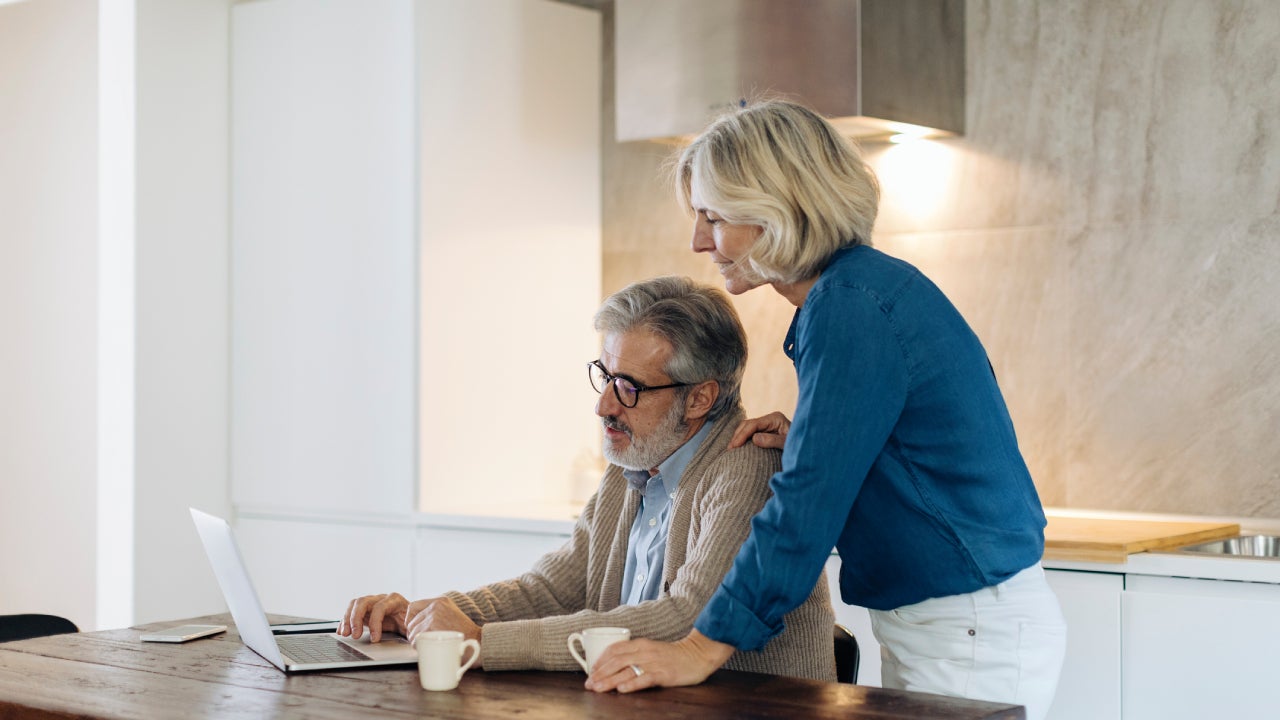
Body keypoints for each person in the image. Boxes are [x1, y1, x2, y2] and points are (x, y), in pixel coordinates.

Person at [585, 100, 1067, 720]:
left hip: (965, 631)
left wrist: (701, 647)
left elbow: (806, 507)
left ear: (776, 210)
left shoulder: (850, 309)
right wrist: (811, 438)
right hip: (956, 626)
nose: (699, 241)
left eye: (714, 217)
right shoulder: (856, 293)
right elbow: (890, 448)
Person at [339, 275, 835, 679]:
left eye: (628, 387)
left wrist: (482, 642)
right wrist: (430, 615)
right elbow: (550, 590)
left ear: (700, 399)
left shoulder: (747, 465)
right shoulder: (634, 464)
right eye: (604, 375)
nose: (603, 405)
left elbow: (686, 619)